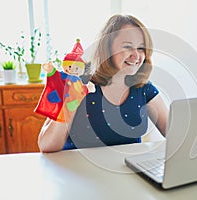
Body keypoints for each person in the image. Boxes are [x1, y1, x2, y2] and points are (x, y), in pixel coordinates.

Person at [38, 14, 168, 152]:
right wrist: (72, 99)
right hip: (77, 170)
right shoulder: (77, 82)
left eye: (141, 48)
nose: (136, 56)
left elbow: (175, 134)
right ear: (107, 48)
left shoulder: (143, 88)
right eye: (127, 47)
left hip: (125, 170)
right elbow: (47, 145)